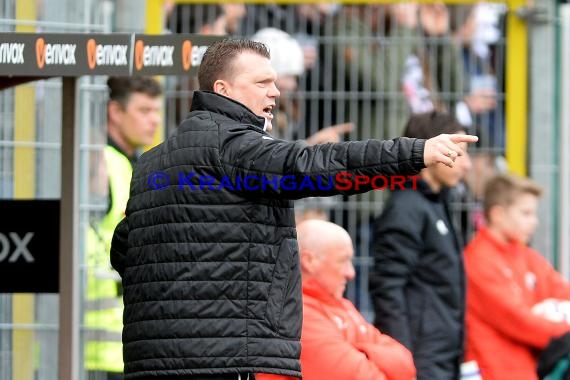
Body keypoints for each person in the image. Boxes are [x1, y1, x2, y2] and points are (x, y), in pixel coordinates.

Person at [110, 38, 477, 379]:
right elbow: (313, 167)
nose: (275, 91)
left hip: (151, 360)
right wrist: (414, 153)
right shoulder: (234, 147)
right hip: (228, 357)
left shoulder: (150, 163)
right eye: (261, 82)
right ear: (222, 90)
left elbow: (125, 248)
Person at [369, 111, 472, 380]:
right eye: (459, 154)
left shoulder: (437, 203)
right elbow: (387, 286)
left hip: (443, 355)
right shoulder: (407, 208)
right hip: (420, 359)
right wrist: (403, 357)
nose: (466, 165)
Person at [257, 220, 416, 380]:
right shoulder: (295, 313)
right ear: (309, 261)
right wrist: (365, 353)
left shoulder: (342, 305)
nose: (351, 273)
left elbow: (406, 363)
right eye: (343, 261)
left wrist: (361, 353)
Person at [84, 76, 162, 379]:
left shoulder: (131, 163)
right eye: (144, 111)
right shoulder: (100, 163)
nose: (154, 120)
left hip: (121, 344)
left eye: (156, 110)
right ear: (115, 112)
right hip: (92, 347)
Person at [464, 174, 570, 380]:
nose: (535, 222)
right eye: (526, 213)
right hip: (492, 371)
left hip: (526, 370)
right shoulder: (477, 260)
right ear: (498, 214)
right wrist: (565, 331)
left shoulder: (524, 255)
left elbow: (560, 289)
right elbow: (519, 320)